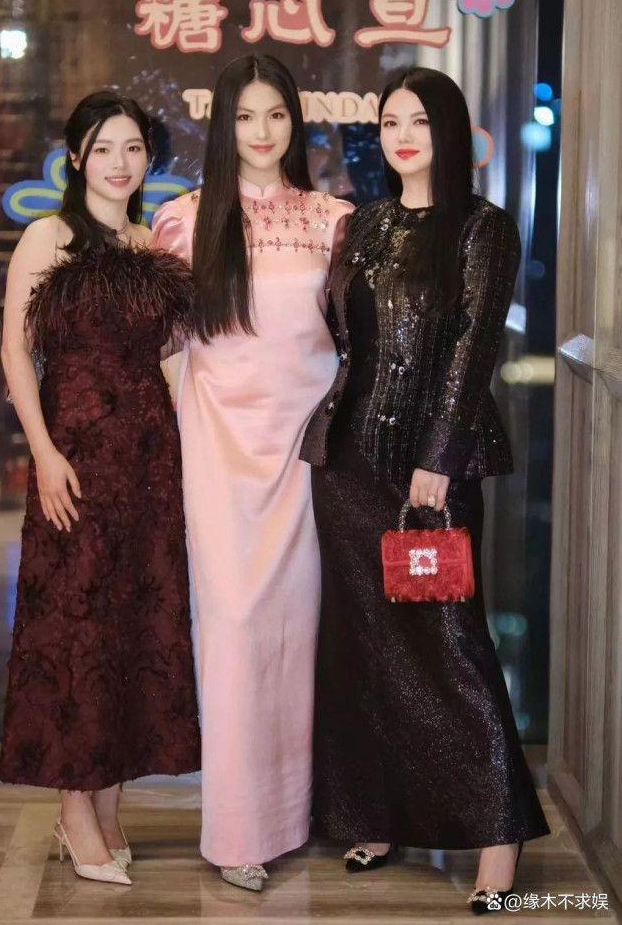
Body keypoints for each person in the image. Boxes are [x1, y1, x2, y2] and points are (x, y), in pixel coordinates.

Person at [300, 66, 550, 914]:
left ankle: (500, 835)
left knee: (449, 644)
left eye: (419, 121)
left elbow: (474, 348)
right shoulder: (365, 223)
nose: (404, 136)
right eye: (390, 122)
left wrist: (439, 456)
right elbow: (345, 337)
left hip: (426, 473)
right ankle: (375, 814)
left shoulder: (484, 227)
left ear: (448, 130)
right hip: (347, 464)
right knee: (363, 644)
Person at [153, 54, 353, 891]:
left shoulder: (335, 220)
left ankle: (296, 812)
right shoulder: (182, 220)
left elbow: (354, 340)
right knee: (233, 630)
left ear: (295, 122)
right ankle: (238, 828)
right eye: (245, 116)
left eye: (276, 115)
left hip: (310, 451)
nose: (262, 132)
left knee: (299, 632)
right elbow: (165, 344)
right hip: (220, 451)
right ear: (222, 126)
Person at [0, 91, 200, 885]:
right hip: (74, 463)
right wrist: (44, 453)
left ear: (149, 159)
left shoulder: (154, 245)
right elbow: (15, 354)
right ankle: (74, 806)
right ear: (77, 156)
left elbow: (177, 360)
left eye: (134, 148)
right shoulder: (47, 237)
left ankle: (109, 801)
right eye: (105, 147)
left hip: (149, 465)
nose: (120, 163)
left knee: (133, 630)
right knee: (73, 629)